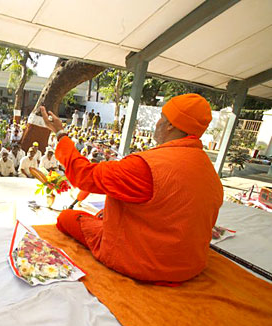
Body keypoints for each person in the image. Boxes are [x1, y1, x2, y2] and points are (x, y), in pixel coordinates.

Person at [40, 93, 224, 283]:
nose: (157, 122)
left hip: (145, 264)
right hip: (190, 265)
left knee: (66, 218)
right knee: (104, 214)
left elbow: (84, 175)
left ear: (171, 125)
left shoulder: (145, 166)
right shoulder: (209, 170)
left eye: (162, 116)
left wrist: (60, 134)